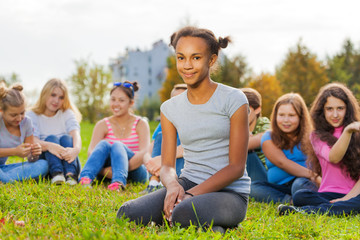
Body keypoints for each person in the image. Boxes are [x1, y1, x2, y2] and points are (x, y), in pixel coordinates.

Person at [117, 26, 250, 232]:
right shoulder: (169, 108)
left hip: (231, 193)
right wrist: (173, 186)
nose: (187, 65)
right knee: (128, 213)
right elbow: (168, 166)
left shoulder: (234, 99)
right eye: (181, 58)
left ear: (211, 60)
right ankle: (210, 225)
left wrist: (190, 195)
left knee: (183, 212)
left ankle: (211, 221)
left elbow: (236, 168)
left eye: (196, 58)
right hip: (188, 181)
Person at [278, 83, 360, 216]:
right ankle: (340, 208)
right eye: (329, 109)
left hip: (355, 194)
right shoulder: (317, 135)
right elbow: (334, 157)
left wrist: (346, 199)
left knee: (357, 202)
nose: (335, 114)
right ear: (322, 111)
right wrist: (347, 131)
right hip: (328, 194)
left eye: (340, 108)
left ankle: (307, 212)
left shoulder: (357, 133)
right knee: (300, 196)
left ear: (348, 109)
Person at [79, 81, 150, 191]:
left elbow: (144, 154)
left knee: (117, 145)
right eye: (113, 99)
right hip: (106, 172)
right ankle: (85, 178)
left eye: (121, 100)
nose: (116, 104)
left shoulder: (141, 123)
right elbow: (91, 152)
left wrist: (119, 169)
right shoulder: (102, 124)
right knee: (103, 144)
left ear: (131, 103)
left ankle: (118, 182)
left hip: (135, 171)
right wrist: (106, 171)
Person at [250, 93, 320, 203]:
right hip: (280, 187)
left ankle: (301, 198)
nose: (286, 120)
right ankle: (289, 201)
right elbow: (283, 163)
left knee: (299, 186)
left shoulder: (311, 137)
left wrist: (316, 178)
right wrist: (314, 176)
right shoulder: (268, 138)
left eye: (291, 115)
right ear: (275, 116)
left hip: (303, 182)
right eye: (281, 115)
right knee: (253, 188)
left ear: (300, 117)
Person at [27, 78, 82, 185]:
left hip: (69, 161)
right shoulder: (31, 115)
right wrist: (50, 146)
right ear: (44, 94)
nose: (56, 101)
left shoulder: (67, 114)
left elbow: (76, 134)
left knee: (67, 138)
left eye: (61, 97)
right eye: (53, 95)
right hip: (47, 161)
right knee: (51, 138)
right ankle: (57, 174)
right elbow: (33, 141)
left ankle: (71, 175)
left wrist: (76, 149)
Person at [142, 83, 187, 193]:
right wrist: (150, 161)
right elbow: (150, 149)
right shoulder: (166, 120)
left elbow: (190, 148)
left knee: (181, 138)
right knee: (161, 135)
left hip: (180, 168)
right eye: (174, 101)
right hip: (161, 167)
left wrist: (162, 160)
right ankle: (153, 183)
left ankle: (165, 182)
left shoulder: (192, 122)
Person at [0, 82, 48, 183]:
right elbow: (16, 151)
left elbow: (30, 159)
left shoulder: (26, 122)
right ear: (1, 111)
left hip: (2, 169)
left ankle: (5, 180)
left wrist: (34, 153)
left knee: (43, 164)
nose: (19, 118)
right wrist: (15, 151)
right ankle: (8, 180)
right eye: (13, 115)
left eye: (22, 113)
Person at [241, 88, 270, 182]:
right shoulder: (236, 126)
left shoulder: (263, 123)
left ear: (257, 109)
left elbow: (264, 136)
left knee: (245, 151)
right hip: (245, 173)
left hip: (263, 173)